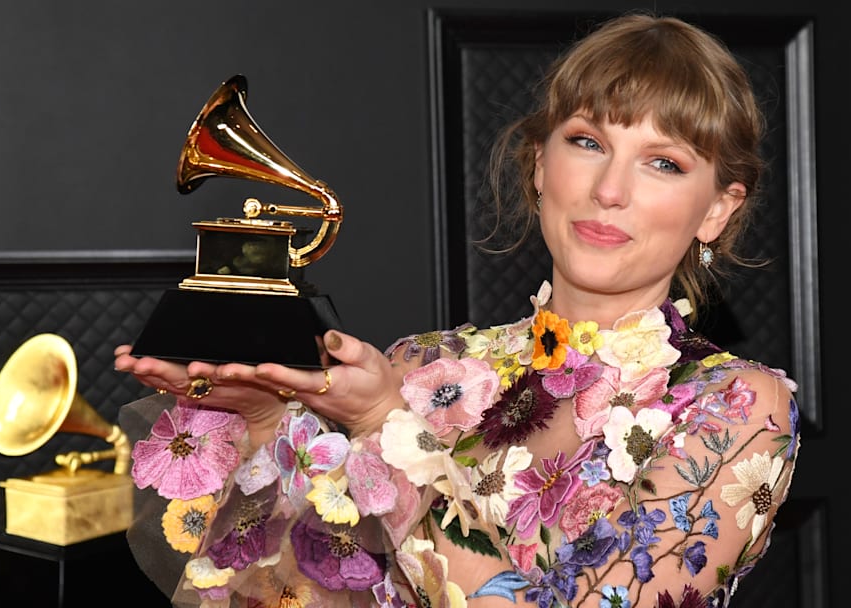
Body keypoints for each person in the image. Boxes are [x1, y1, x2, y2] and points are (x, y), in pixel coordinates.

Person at [114, 13, 800, 608]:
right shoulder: (422, 366)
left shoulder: (737, 407)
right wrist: (263, 422)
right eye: (588, 142)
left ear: (717, 209)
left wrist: (385, 428)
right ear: (540, 164)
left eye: (663, 163)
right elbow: (294, 591)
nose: (610, 189)